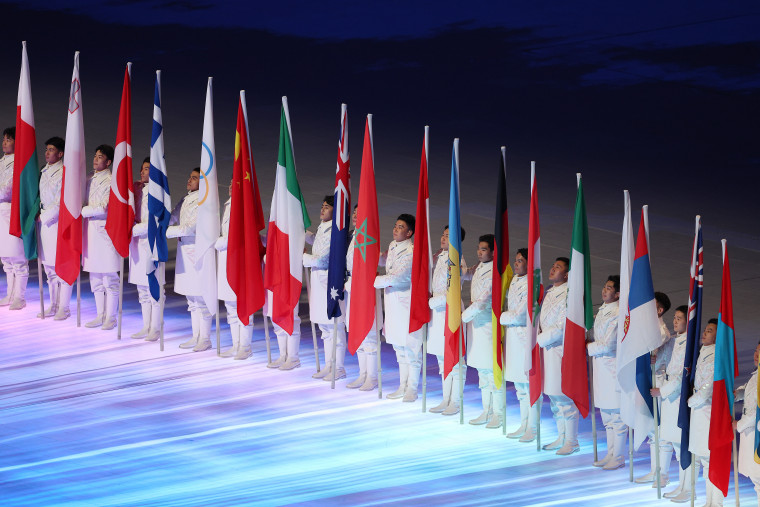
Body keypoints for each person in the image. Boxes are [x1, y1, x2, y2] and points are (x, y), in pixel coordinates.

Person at [651, 305, 699, 502]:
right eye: (676, 318)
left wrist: (662, 391)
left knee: (684, 446)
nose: (675, 321)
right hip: (671, 397)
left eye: (680, 318)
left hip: (678, 397)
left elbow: (680, 376)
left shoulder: (689, 343)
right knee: (678, 446)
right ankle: (682, 485)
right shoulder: (678, 340)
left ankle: (689, 489)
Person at [375, 214, 422, 402]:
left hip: (405, 303)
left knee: (410, 347)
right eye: (395, 226)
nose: (395, 229)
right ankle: (402, 385)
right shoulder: (393, 246)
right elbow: (384, 263)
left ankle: (413, 388)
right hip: (392, 302)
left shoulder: (411, 251)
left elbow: (399, 277)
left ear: (409, 232)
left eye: (400, 227)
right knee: (398, 348)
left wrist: (374, 281)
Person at [167, 168, 213, 352]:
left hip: (197, 252)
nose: (189, 180)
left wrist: (168, 231)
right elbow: (172, 218)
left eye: (194, 178)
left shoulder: (204, 202)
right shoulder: (185, 199)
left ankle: (206, 338)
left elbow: (189, 228)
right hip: (184, 252)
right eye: (190, 176)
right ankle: (195, 335)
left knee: (201, 297)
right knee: (191, 298)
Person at [537, 257, 579, 455]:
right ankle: (561, 436)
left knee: (564, 397)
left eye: (558, 267)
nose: (553, 269)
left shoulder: (569, 294)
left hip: (560, 349)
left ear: (568, 274)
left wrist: (541, 338)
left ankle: (571, 441)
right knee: (553, 397)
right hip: (548, 349)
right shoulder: (551, 291)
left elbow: (563, 325)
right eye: (553, 266)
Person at [303, 195, 347, 382]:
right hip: (318, 279)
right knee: (324, 327)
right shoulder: (323, 227)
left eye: (327, 207)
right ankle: (329, 364)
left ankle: (339, 367)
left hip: (329, 280)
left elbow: (322, 258)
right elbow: (317, 242)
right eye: (322, 206)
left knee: (334, 326)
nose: (322, 210)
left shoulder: (335, 231)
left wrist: (302, 257)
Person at [587, 275, 628, 469]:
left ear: (618, 293)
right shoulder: (603, 310)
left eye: (609, 288)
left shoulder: (619, 313)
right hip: (600, 369)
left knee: (617, 416)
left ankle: (618, 457)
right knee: (606, 415)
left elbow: (609, 344)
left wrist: (588, 347)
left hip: (612, 369)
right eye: (604, 286)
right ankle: (610, 453)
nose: (604, 290)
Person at [463, 234, 502, 428]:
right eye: (479, 248)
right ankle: (486, 410)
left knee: (492, 371)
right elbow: (467, 273)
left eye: (484, 249)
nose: (479, 252)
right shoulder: (479, 267)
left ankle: (498, 414)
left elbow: (483, 301)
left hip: (487, 326)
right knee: (481, 372)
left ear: (493, 252)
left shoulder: (495, 272)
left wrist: (462, 316)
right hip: (475, 326)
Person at [500, 247, 539, 442]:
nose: (516, 263)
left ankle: (533, 426)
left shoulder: (532, 284)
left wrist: (502, 317)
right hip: (513, 338)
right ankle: (524, 423)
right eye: (515, 260)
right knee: (519, 386)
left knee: (529, 385)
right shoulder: (515, 280)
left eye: (520, 260)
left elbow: (520, 315)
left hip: (524, 338)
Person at [636, 291, 675, 487]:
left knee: (661, 431)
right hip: (648, 382)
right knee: (652, 431)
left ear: (659, 310)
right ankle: (654, 471)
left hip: (660, 384)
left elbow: (651, 350)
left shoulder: (662, 332)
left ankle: (663, 474)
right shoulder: (646, 328)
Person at [81, 145, 121, 329]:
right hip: (90, 231)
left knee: (109, 277)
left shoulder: (113, 181)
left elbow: (104, 207)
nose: (95, 160)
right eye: (95, 156)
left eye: (100, 157)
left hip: (105, 232)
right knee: (95, 277)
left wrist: (83, 210)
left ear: (109, 162)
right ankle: (100, 314)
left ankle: (111, 317)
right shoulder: (88, 178)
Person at [428, 225, 466, 415]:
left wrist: (432, 301)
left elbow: (453, 290)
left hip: (450, 312)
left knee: (456, 359)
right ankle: (445, 398)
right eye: (443, 235)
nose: (443, 238)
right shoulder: (439, 256)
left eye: (448, 236)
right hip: (438, 312)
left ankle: (456, 401)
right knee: (442, 359)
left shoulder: (457, 259)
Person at [215, 180, 254, 359]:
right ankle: (236, 344)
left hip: (239, 260)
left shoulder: (244, 205)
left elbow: (238, 235)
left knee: (242, 304)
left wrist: (220, 242)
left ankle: (245, 346)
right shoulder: (229, 204)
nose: (230, 186)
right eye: (229, 183)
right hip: (225, 258)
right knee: (230, 304)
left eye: (234, 183)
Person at [687, 318, 722, 506]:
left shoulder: (715, 354)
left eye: (709, 330)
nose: (704, 332)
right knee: (703, 458)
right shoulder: (704, 351)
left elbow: (708, 386)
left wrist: (692, 401)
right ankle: (709, 501)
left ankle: (715, 502)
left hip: (707, 410)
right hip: (700, 411)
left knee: (710, 459)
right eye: (706, 329)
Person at [345, 205, 380, 391]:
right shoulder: (352, 236)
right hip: (351, 287)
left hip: (364, 289)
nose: (356, 216)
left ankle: (372, 377)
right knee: (356, 330)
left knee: (369, 335)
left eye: (360, 214)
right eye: (355, 213)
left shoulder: (368, 237)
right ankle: (362, 374)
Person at [128, 157, 164, 341]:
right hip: (136, 243)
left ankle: (155, 327)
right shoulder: (136, 189)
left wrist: (134, 228)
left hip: (151, 243)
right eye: (142, 169)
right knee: (141, 288)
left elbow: (155, 220)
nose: (142, 172)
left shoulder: (158, 192)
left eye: (147, 169)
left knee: (153, 287)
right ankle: (145, 325)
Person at [37, 137, 71, 320]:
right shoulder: (44, 171)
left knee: (61, 267)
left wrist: (44, 216)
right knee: (49, 269)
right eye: (46, 149)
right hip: (45, 225)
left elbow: (60, 203)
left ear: (60, 153)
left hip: (58, 224)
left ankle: (64, 308)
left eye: (51, 149)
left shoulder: (64, 173)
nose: (47, 152)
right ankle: (54, 304)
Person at [0, 127, 28, 310]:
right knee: (6, 259)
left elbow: (7, 189)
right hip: (0, 211)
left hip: (12, 212)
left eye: (9, 139)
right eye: (4, 139)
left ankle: (20, 297)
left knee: (18, 258)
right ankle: (9, 294)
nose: (4, 142)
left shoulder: (19, 163)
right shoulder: (2, 161)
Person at [735, 340, 760, 506]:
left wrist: (738, 425)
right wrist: (737, 393)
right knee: (757, 482)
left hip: (755, 434)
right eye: (756, 351)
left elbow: (755, 413)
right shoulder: (756, 374)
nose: (756, 355)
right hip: (750, 434)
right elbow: (749, 390)